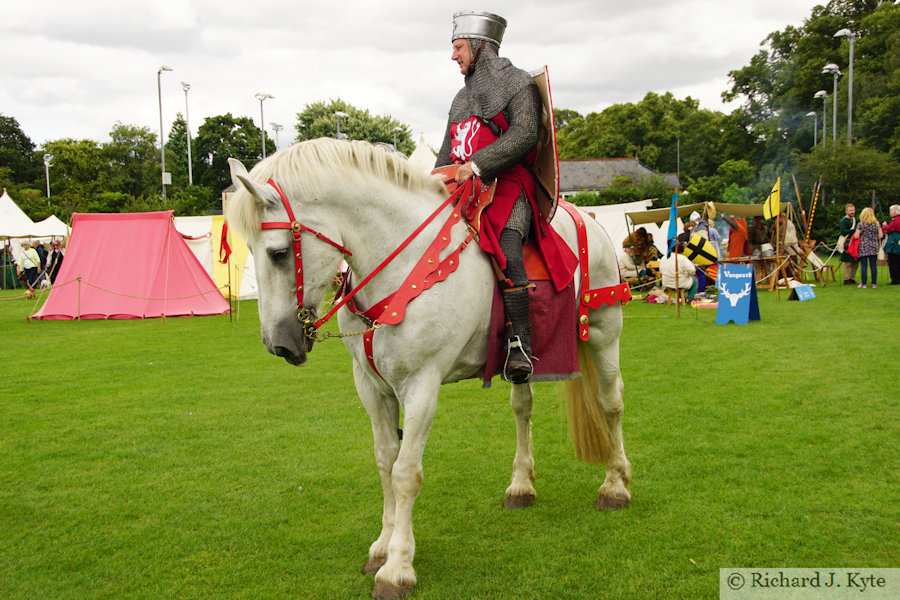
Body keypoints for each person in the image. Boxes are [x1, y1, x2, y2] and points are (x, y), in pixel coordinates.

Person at [435, 10, 576, 384]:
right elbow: (446, 154)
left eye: (459, 47)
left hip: (507, 186)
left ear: (480, 47)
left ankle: (519, 342)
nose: (453, 56)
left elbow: (525, 134)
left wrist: (479, 165)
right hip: (463, 192)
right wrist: (436, 181)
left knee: (508, 243)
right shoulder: (459, 100)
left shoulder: (516, 84)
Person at [854, 207, 883, 288]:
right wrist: (874, 237)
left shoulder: (861, 224)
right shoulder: (877, 224)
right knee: (873, 265)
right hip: (874, 245)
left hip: (864, 246)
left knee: (864, 265)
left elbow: (856, 236)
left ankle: (864, 283)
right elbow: (881, 235)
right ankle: (874, 283)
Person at [839, 203, 859, 285]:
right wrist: (854, 231)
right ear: (846, 211)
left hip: (855, 242)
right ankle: (846, 279)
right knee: (848, 262)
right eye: (850, 210)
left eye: (853, 210)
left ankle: (852, 278)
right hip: (847, 242)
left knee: (855, 261)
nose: (852, 212)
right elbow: (843, 232)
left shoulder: (855, 220)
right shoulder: (843, 221)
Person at [882, 204, 900, 285]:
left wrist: (885, 226)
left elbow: (889, 230)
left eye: (890, 211)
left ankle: (895, 280)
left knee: (893, 262)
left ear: (894, 211)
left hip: (894, 245)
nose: (890, 212)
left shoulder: (896, 220)